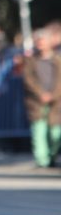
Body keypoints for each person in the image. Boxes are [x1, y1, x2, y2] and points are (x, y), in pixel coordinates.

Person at [23, 29, 61, 168]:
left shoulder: (57, 60)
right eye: (37, 41)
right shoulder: (31, 60)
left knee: (55, 132)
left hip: (56, 101)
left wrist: (53, 95)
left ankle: (52, 156)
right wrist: (41, 94)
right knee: (38, 131)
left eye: (42, 41)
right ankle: (42, 160)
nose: (40, 44)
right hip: (36, 101)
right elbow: (28, 79)